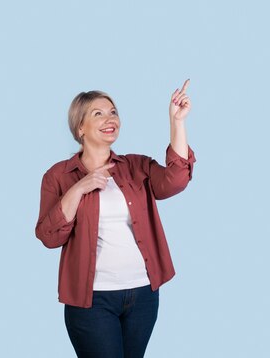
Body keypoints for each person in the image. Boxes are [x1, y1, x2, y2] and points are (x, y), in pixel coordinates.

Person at [35, 79, 196, 357]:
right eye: (98, 113)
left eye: (113, 112)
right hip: (91, 300)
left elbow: (176, 180)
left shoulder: (137, 166)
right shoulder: (58, 176)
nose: (110, 119)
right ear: (80, 127)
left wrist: (177, 122)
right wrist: (80, 187)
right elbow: (49, 237)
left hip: (143, 294)